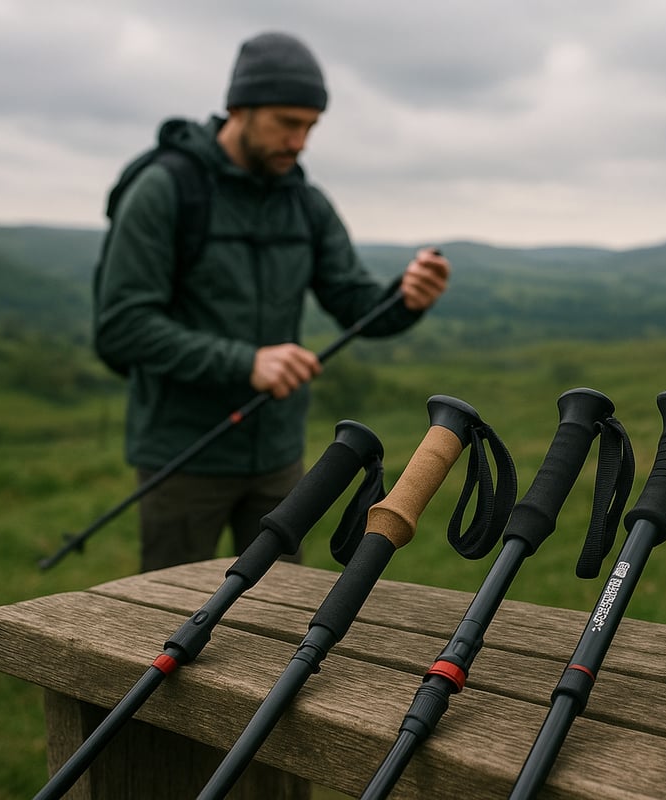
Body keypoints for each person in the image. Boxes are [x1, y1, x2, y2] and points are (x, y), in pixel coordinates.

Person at [94, 31, 450, 572]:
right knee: (162, 614)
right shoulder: (166, 189)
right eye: (288, 122)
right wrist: (247, 362)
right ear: (239, 108)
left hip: (280, 462)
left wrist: (405, 298)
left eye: (310, 126)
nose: (300, 141)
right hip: (184, 456)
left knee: (278, 616)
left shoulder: (304, 203)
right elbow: (122, 326)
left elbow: (354, 302)